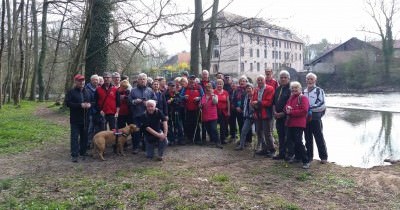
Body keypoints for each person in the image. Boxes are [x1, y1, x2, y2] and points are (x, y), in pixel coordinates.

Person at [65, 74, 92, 162]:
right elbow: (68, 103)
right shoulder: (71, 92)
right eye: (80, 81)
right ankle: (74, 154)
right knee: (74, 137)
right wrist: (80, 105)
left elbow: (93, 102)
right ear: (75, 82)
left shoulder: (87, 91)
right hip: (75, 119)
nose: (82, 82)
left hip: (85, 118)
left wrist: (90, 104)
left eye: (83, 80)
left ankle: (83, 152)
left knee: (84, 136)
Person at [129, 73, 157, 154]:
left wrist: (149, 103)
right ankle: (136, 147)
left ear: (146, 80)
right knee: (136, 132)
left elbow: (155, 100)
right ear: (138, 80)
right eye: (140, 79)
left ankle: (146, 146)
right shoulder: (133, 90)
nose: (142, 81)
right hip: (136, 114)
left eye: (144, 79)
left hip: (147, 115)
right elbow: (129, 101)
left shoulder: (150, 90)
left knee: (147, 131)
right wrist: (135, 101)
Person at [303, 72, 328, 164]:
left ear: (315, 80)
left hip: (315, 118)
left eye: (311, 79)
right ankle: (309, 156)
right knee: (307, 138)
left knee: (319, 137)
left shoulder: (319, 90)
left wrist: (309, 108)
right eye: (308, 79)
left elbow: (321, 103)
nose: (309, 80)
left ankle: (323, 157)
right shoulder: (303, 91)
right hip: (306, 118)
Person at [284, 81, 310, 169]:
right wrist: (287, 109)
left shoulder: (303, 98)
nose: (294, 89)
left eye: (296, 88)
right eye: (293, 88)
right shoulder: (291, 97)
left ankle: (306, 160)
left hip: (299, 123)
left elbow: (304, 111)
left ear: (300, 89)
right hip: (290, 123)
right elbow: (286, 106)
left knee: (298, 141)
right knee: (291, 140)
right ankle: (297, 157)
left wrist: (291, 111)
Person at [252, 75, 276, 157]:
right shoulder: (256, 90)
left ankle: (272, 150)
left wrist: (257, 103)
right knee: (259, 131)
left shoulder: (270, 89)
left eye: (261, 80)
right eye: (258, 80)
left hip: (266, 113)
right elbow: (253, 100)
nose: (259, 81)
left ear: (264, 80)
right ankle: (264, 148)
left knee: (267, 133)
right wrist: (253, 104)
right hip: (257, 113)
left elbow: (269, 102)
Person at [272, 70, 292, 160]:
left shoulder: (291, 89)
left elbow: (290, 103)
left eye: (285, 77)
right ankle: (281, 153)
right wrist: (274, 112)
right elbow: (274, 102)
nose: (283, 79)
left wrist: (283, 113)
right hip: (278, 116)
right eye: (281, 77)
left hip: (287, 117)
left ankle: (289, 154)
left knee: (288, 136)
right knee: (280, 135)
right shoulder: (278, 89)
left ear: (289, 78)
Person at [181, 75, 204, 144]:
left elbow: (203, 96)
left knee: (196, 124)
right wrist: (184, 97)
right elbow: (180, 96)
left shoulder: (199, 87)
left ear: (195, 80)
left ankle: (197, 139)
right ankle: (189, 138)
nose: (192, 80)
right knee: (188, 124)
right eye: (190, 79)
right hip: (187, 109)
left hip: (196, 109)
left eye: (193, 79)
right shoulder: (185, 88)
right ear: (189, 80)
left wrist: (199, 98)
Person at [200, 83, 223, 148]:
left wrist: (212, 96)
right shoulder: (203, 96)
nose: (208, 89)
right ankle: (212, 140)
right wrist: (200, 105)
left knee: (214, 129)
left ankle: (218, 142)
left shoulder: (215, 96)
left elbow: (215, 102)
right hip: (205, 116)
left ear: (212, 89)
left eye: (209, 88)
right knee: (208, 129)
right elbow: (201, 104)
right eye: (206, 88)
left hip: (213, 116)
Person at [235, 84, 255, 150]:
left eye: (249, 88)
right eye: (247, 88)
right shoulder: (245, 96)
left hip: (256, 116)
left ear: (252, 89)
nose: (248, 90)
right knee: (243, 131)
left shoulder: (255, 96)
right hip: (248, 117)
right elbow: (244, 105)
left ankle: (261, 147)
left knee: (259, 133)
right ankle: (241, 146)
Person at [234, 76, 252, 145]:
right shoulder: (236, 90)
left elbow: (247, 100)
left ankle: (248, 140)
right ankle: (242, 139)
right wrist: (236, 107)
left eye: (244, 81)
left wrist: (242, 108)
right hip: (238, 111)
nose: (242, 82)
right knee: (240, 125)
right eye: (241, 81)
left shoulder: (248, 89)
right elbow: (234, 99)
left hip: (246, 110)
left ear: (246, 82)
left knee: (247, 126)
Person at [84, 74, 99, 149]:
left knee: (97, 128)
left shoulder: (99, 88)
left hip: (98, 111)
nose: (95, 81)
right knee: (90, 128)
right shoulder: (86, 88)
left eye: (97, 80)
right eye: (94, 80)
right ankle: (88, 143)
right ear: (91, 80)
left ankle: (95, 143)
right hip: (89, 112)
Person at [214, 79, 230, 144]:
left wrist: (228, 111)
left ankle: (222, 139)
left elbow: (228, 102)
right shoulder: (214, 92)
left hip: (224, 112)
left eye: (221, 84)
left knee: (223, 126)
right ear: (216, 84)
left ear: (223, 85)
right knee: (214, 126)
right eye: (218, 84)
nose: (219, 85)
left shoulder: (226, 92)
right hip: (215, 111)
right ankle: (215, 138)